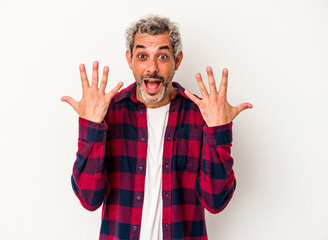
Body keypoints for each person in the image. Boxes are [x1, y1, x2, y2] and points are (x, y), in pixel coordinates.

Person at [61, 15, 252, 240]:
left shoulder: (202, 114)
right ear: (130, 59)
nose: (152, 67)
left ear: (177, 60)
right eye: (142, 56)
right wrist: (92, 127)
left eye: (162, 56)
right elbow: (89, 198)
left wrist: (218, 131)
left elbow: (215, 201)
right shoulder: (107, 113)